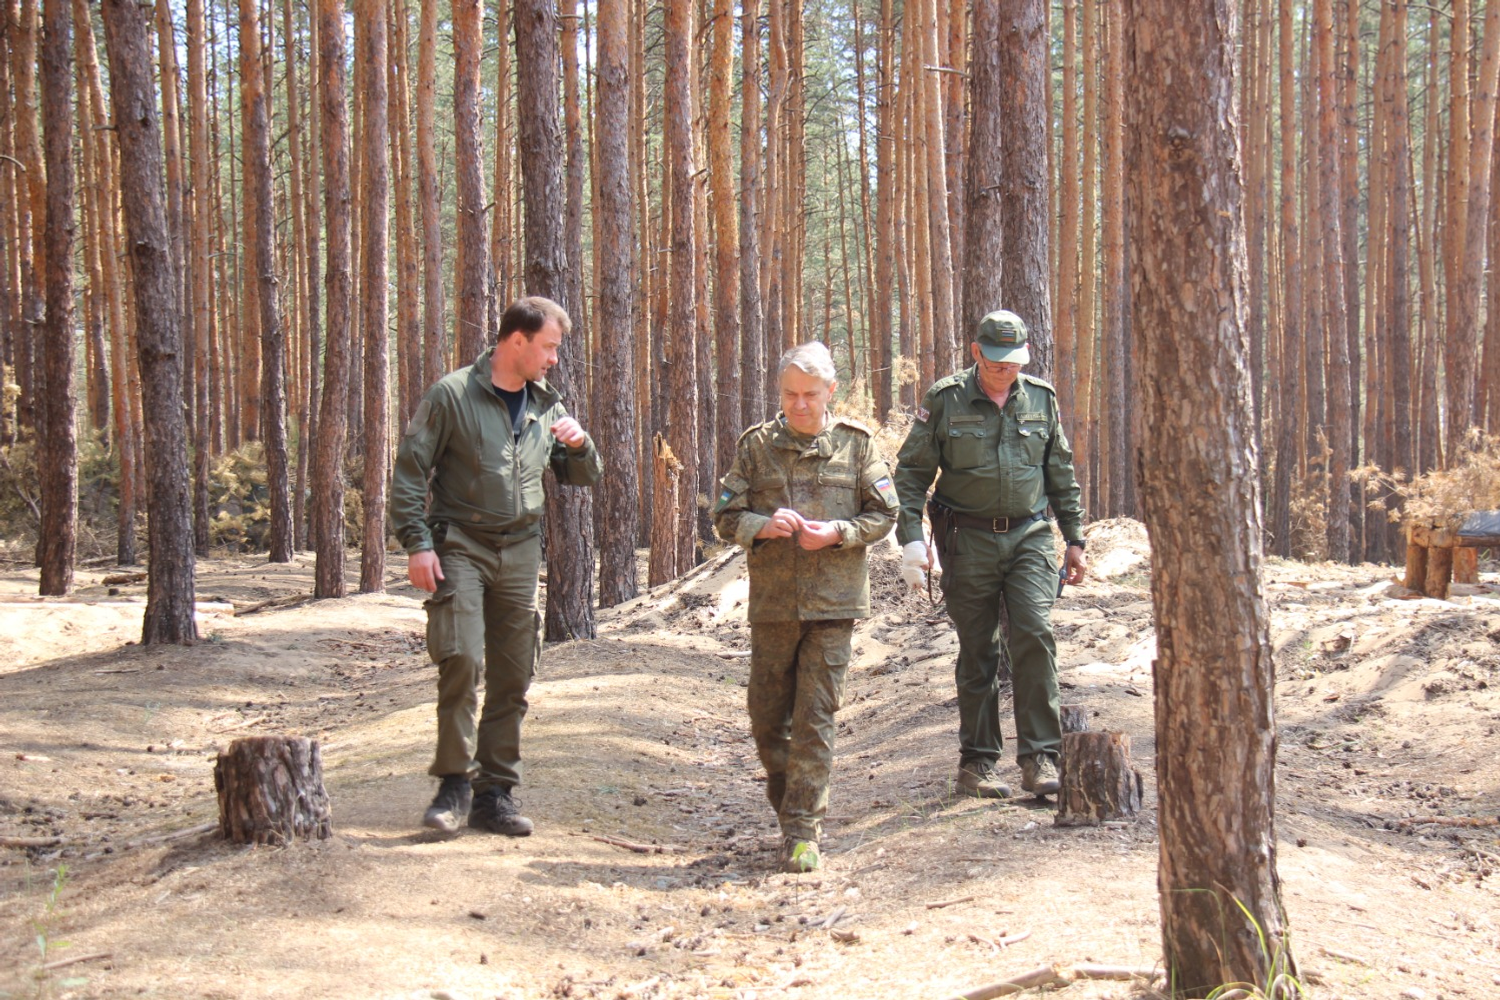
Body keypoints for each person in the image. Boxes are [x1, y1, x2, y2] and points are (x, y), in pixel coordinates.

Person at [392, 296, 602, 836]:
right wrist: (418, 543)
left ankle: (495, 794)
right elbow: (411, 472)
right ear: (518, 341)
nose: (554, 359)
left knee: (514, 672)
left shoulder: (545, 406)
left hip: (521, 549)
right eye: (549, 347)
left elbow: (580, 477)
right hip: (459, 543)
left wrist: (580, 447)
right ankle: (453, 784)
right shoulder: (452, 395)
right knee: (461, 656)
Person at [713, 341, 897, 873]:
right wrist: (762, 527)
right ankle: (788, 806)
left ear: (830, 392)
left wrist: (839, 532)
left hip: (834, 606)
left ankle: (803, 829)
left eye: (810, 395)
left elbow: (885, 513)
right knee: (769, 719)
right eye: (790, 394)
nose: (799, 405)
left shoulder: (857, 446)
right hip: (773, 605)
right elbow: (724, 515)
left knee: (815, 716)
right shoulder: (756, 447)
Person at [894, 310, 1086, 799]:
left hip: (1031, 536)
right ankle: (977, 764)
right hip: (968, 539)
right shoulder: (945, 400)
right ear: (977, 352)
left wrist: (1076, 538)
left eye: (1014, 362)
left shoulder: (1041, 399)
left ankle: (1041, 758)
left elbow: (1059, 471)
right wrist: (912, 540)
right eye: (996, 360)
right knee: (979, 649)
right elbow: (912, 475)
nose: (1005, 370)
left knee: (1034, 633)